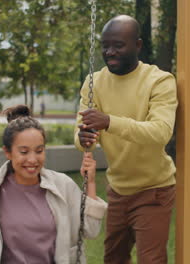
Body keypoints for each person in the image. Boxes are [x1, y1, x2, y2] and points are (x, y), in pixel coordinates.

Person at [0, 104, 107, 264]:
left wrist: (90, 182)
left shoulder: (63, 186)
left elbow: (90, 229)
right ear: (7, 152)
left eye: (39, 151)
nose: (32, 159)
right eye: (23, 152)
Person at [75, 15, 178, 263]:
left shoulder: (160, 81)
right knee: (113, 258)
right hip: (118, 189)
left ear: (138, 45)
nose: (110, 52)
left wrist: (109, 121)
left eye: (118, 45)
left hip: (154, 189)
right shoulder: (94, 82)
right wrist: (84, 137)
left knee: (151, 259)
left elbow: (160, 131)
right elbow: (81, 140)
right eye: (105, 45)